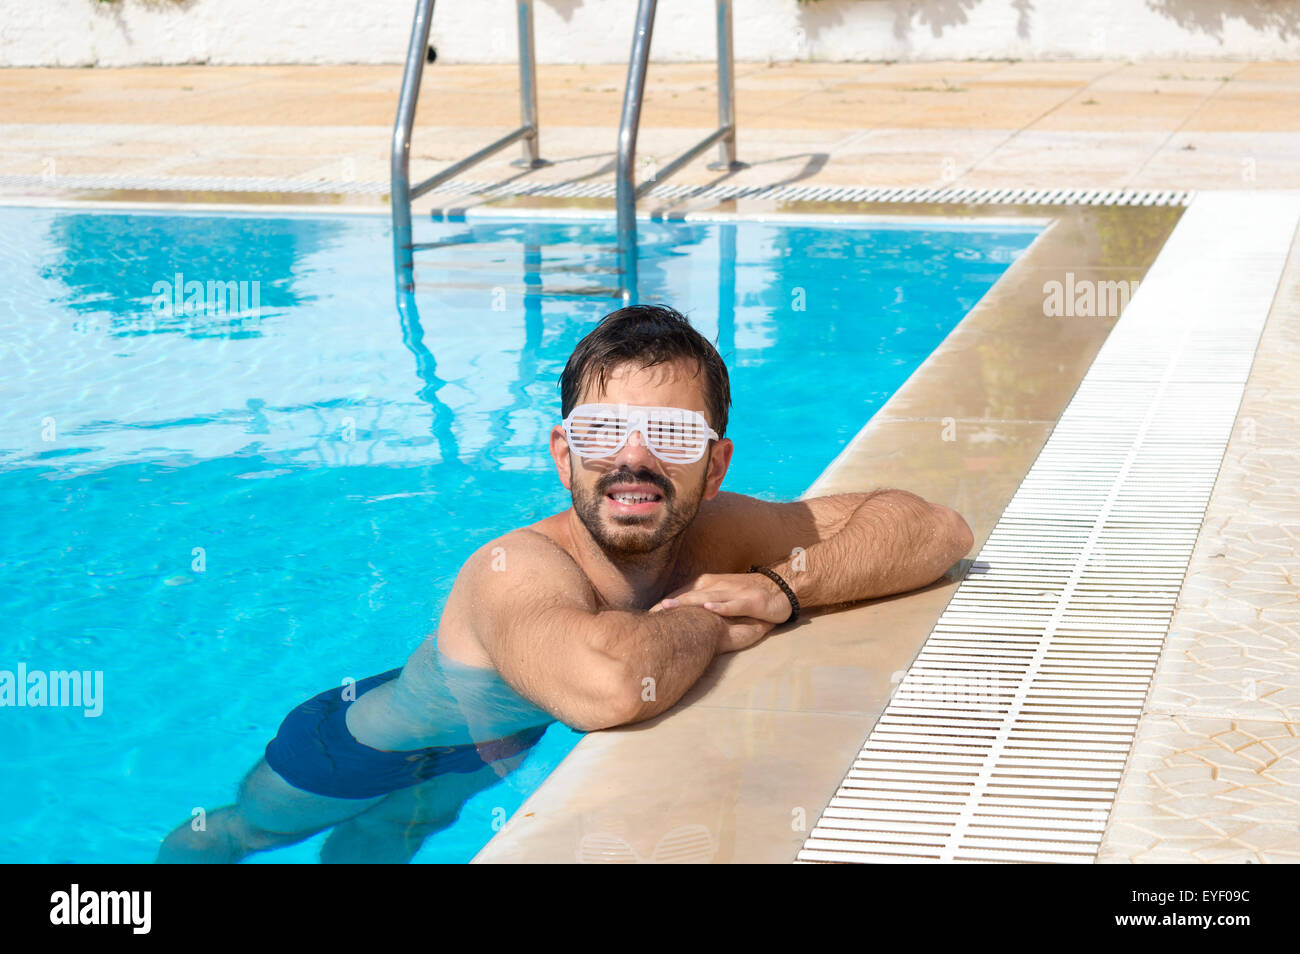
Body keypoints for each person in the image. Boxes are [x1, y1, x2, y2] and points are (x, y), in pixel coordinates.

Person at [157, 303, 973, 863]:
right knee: (238, 835)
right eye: (603, 430)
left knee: (387, 845)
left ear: (716, 462)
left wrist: (787, 588)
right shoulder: (514, 571)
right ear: (564, 453)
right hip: (364, 743)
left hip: (493, 743)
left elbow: (935, 529)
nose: (633, 458)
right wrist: (711, 619)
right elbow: (608, 684)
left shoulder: (718, 525)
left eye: (672, 433)